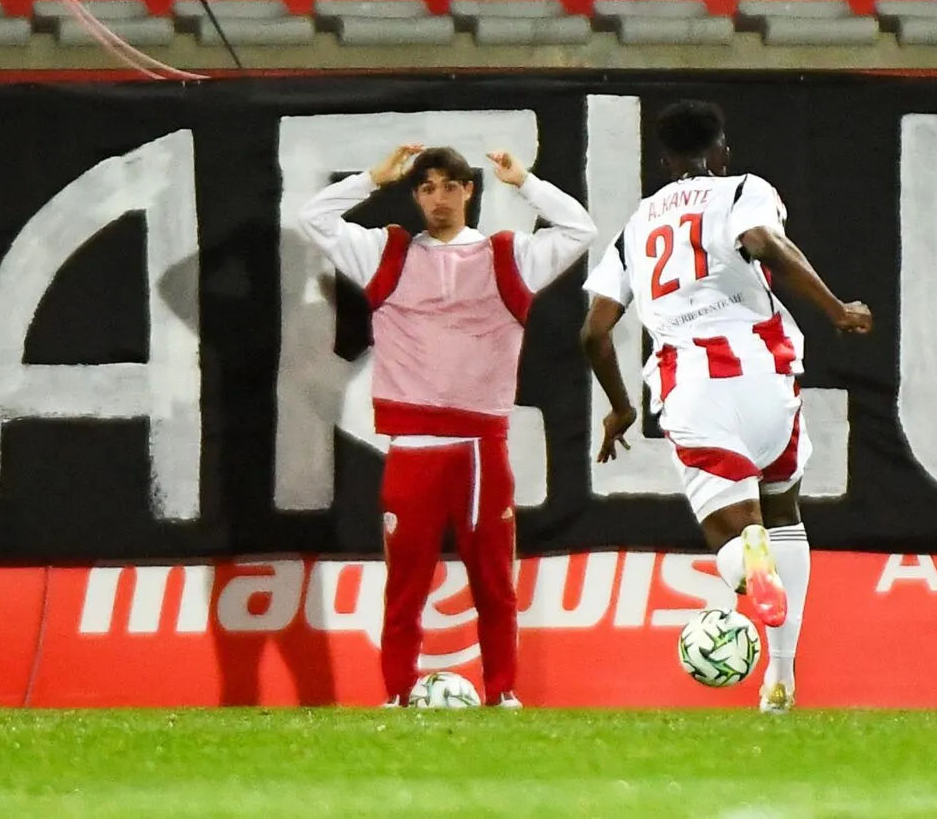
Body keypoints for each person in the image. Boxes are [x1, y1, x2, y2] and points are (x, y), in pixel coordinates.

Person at [579, 99, 871, 714]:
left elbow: (594, 332)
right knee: (784, 509)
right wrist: (837, 310)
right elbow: (765, 243)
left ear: (665, 161)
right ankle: (782, 677)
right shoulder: (742, 187)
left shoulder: (635, 227)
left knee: (728, 530)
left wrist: (620, 408)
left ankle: (744, 562)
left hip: (694, 383)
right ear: (721, 150)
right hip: (768, 371)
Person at [297, 143, 596, 708]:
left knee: (493, 585)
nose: (439, 198)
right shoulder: (385, 255)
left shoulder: (508, 258)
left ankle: (503, 693)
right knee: (406, 587)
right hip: (412, 449)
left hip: (482, 448)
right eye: (427, 187)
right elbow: (313, 218)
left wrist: (526, 182)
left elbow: (579, 229)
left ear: (469, 191)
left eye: (450, 186)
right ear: (414, 196)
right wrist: (369, 177)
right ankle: (398, 694)